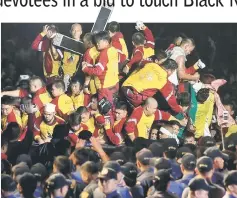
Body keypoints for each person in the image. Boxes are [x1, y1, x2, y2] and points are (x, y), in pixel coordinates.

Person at [82, 31, 119, 106]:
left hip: (104, 86)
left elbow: (97, 71)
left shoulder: (101, 53)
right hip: (114, 83)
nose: (98, 43)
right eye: (97, 42)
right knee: (111, 107)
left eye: (99, 42)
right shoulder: (113, 49)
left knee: (104, 110)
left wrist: (85, 69)